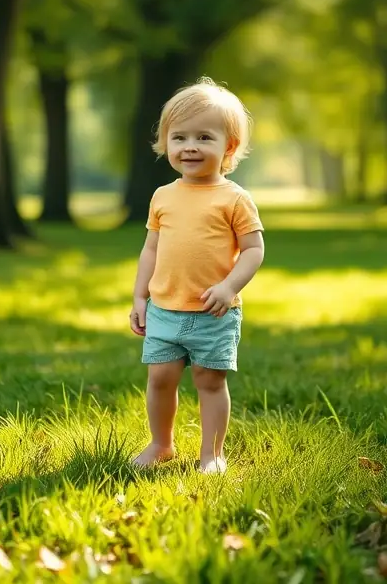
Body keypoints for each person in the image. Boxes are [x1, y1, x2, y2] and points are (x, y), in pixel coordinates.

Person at [129, 77, 265, 474]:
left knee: (209, 381)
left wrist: (229, 287)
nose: (190, 146)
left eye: (204, 137)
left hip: (212, 312)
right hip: (165, 309)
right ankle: (160, 444)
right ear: (165, 142)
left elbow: (254, 250)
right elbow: (150, 250)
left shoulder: (235, 199)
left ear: (229, 147)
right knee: (159, 380)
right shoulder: (162, 196)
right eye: (179, 137)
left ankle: (212, 454)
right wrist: (140, 297)